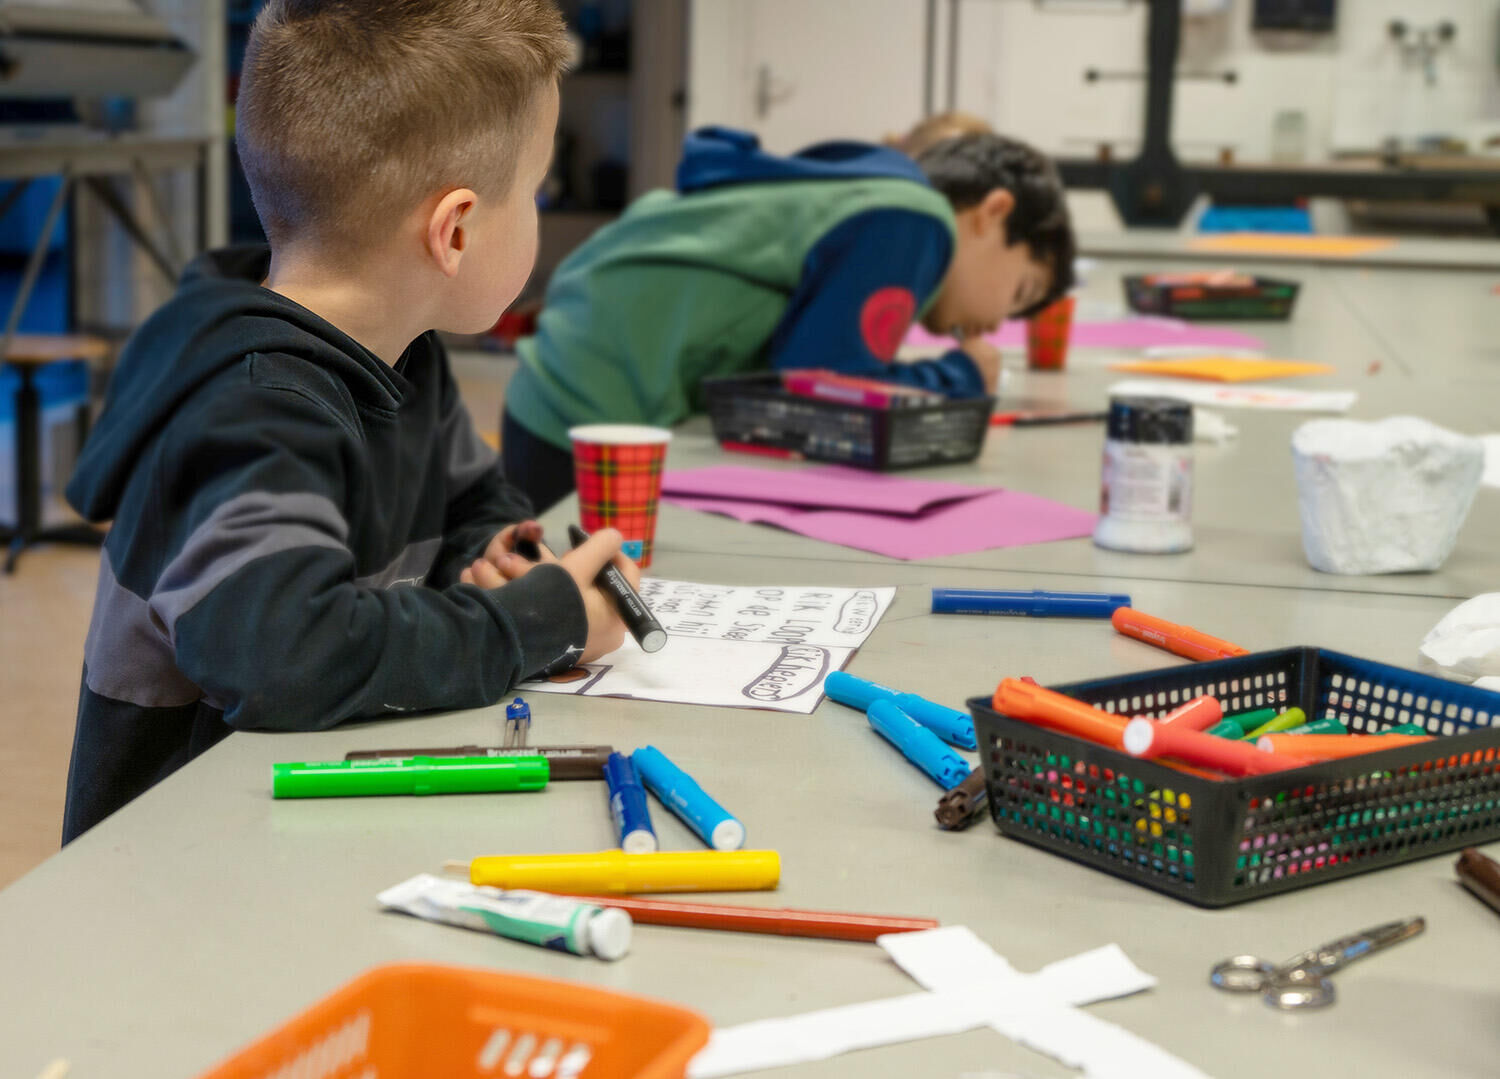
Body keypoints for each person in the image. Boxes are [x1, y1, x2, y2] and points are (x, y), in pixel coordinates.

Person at [59, 0, 624, 842]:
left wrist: (496, 554)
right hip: (185, 882)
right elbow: (284, 655)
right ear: (456, 229)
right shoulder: (251, 413)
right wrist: (538, 622)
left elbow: (474, 500)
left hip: (313, 831)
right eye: (534, 191)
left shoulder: (404, 354)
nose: (538, 214)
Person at [501, 126, 1076, 512]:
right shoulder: (918, 220)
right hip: (588, 422)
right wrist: (961, 379)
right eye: (1019, 290)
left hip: (560, 396)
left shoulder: (877, 190)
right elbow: (828, 391)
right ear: (993, 213)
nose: (998, 322)